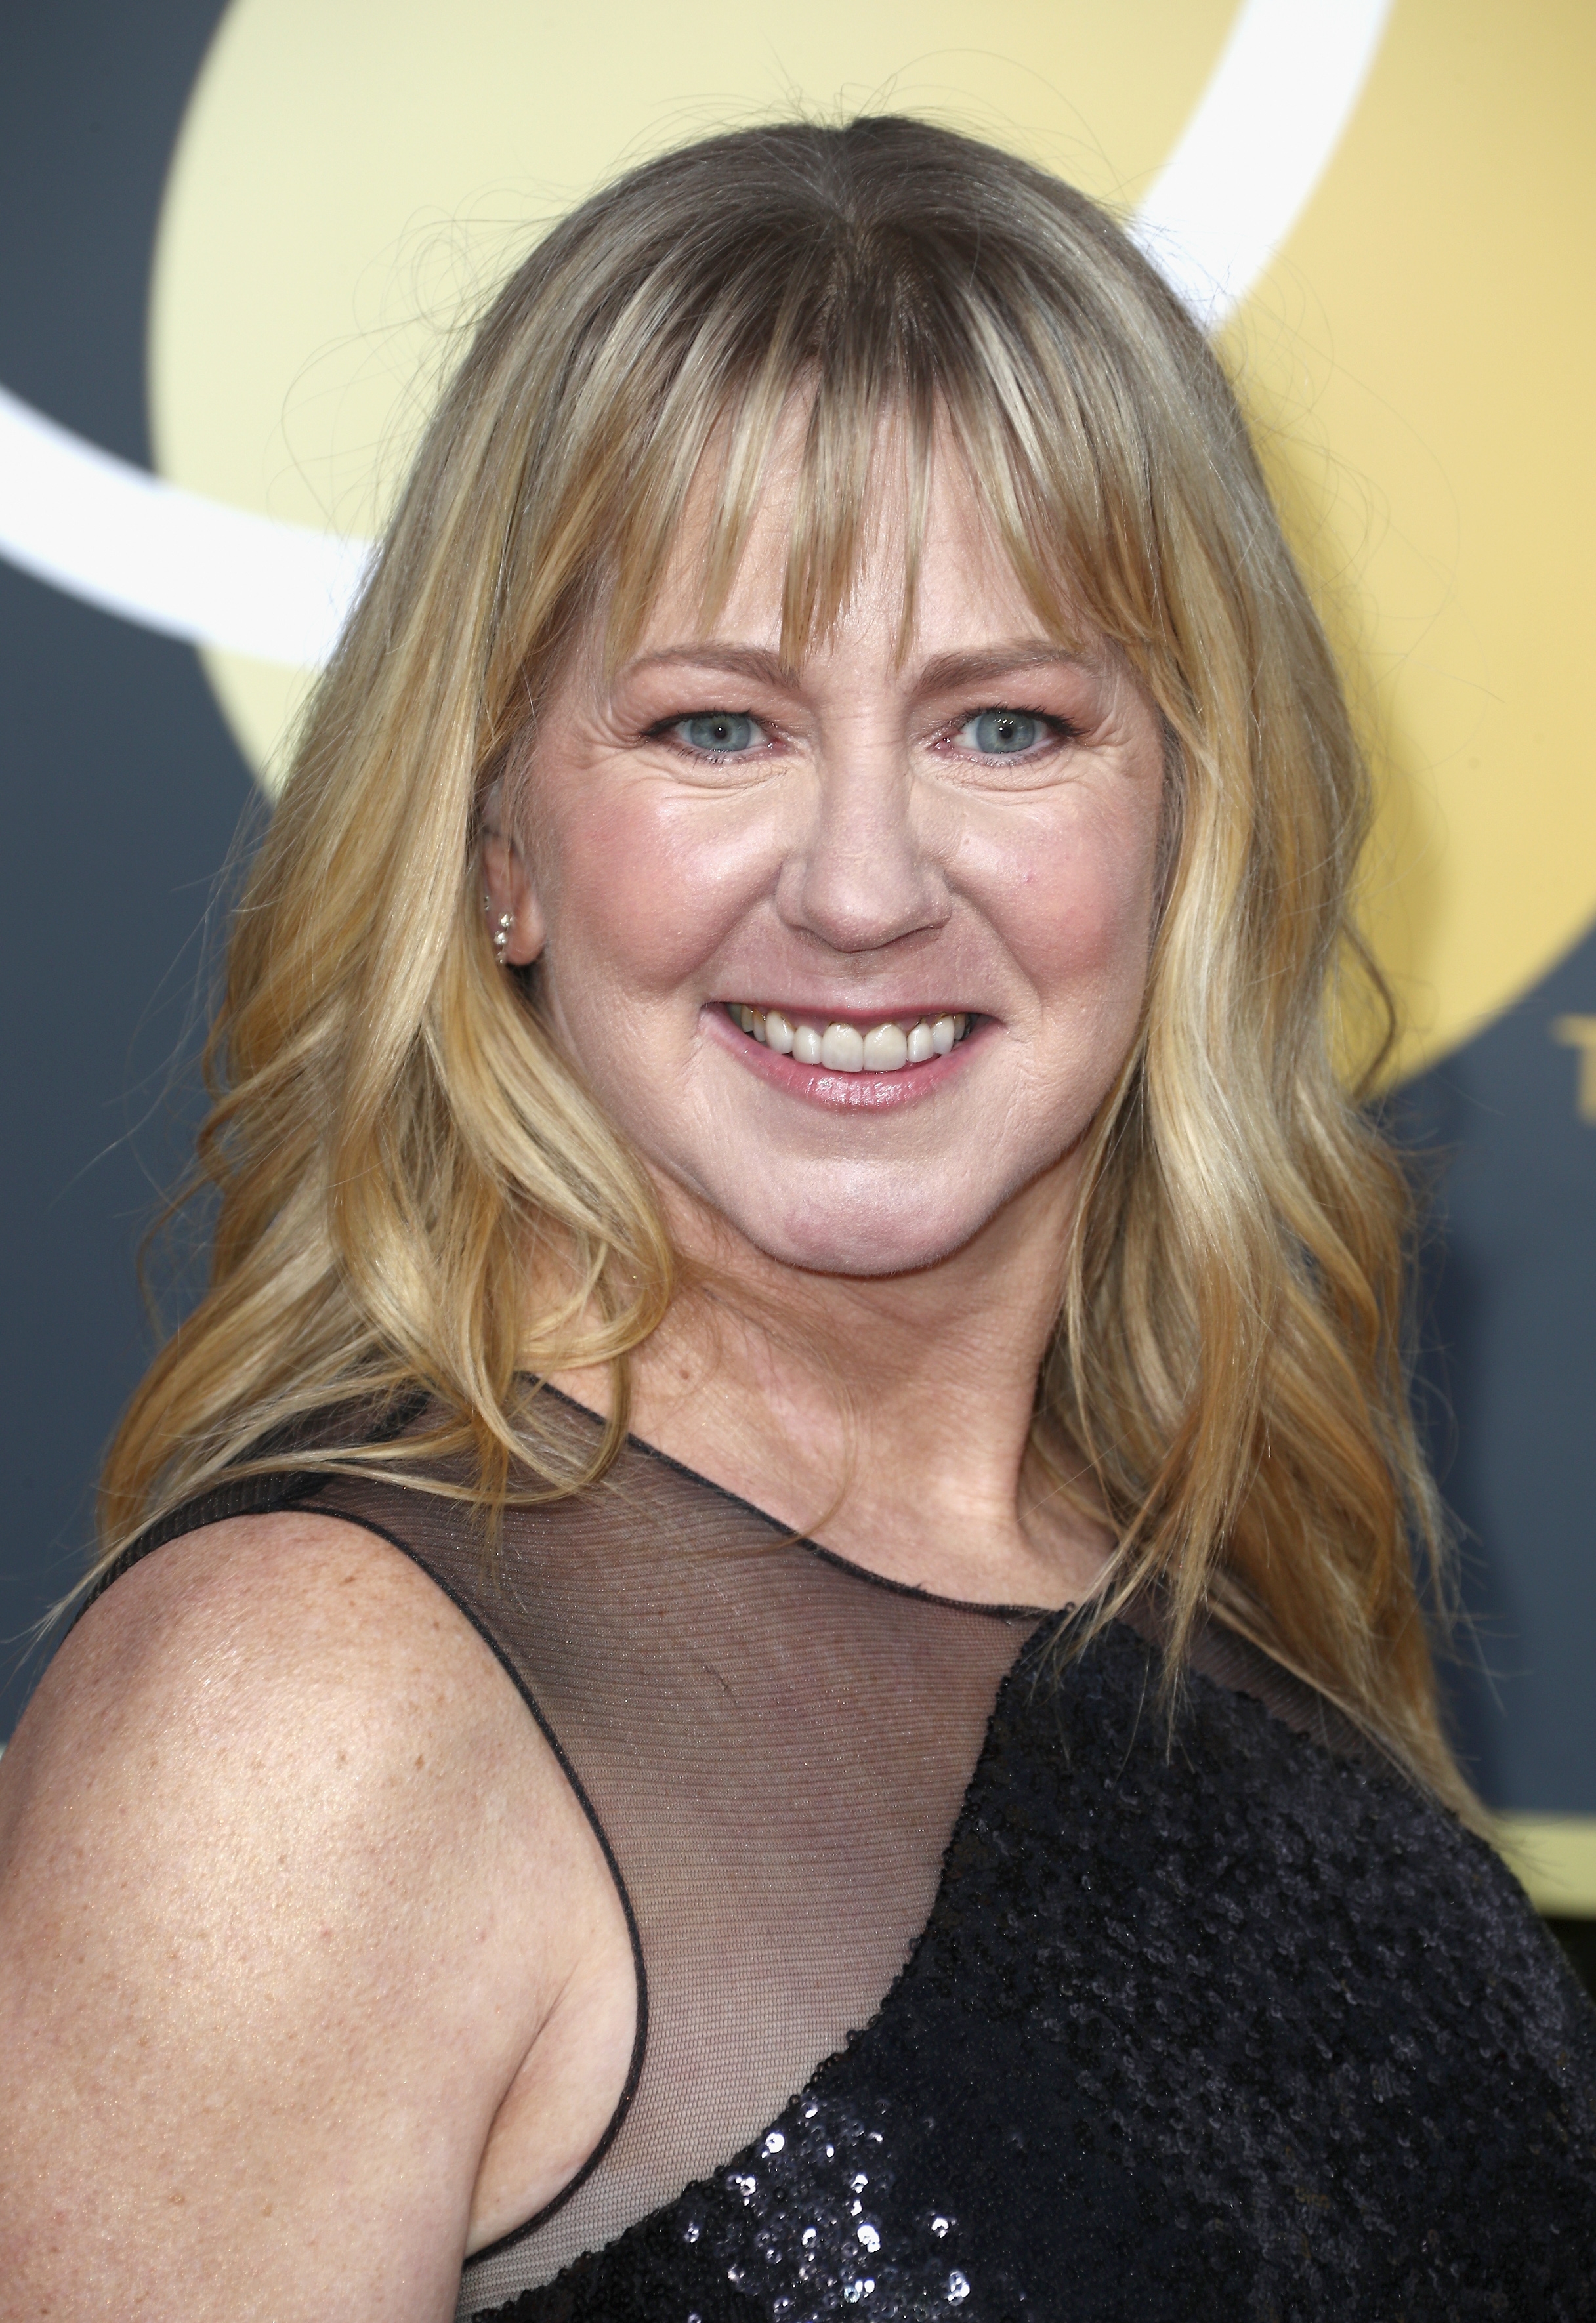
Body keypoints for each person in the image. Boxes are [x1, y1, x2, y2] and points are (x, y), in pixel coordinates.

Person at [1, 115, 1592, 2323]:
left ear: (1188, 828)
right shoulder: (307, 1713)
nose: (862, 887)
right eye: (718, 725)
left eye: (1012, 724)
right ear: (500, 846)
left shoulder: (1229, 1599)